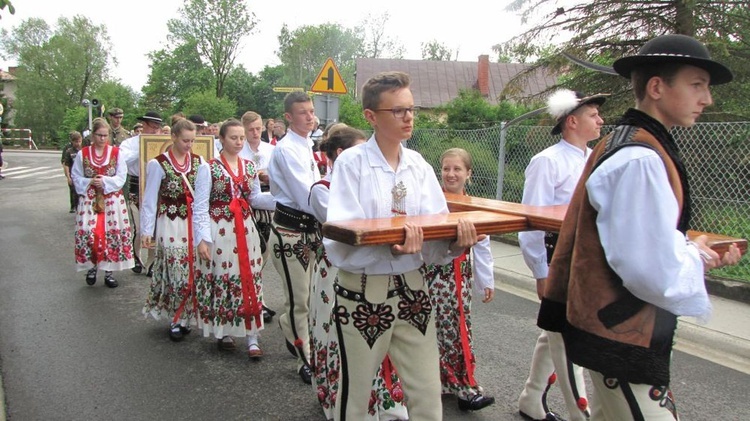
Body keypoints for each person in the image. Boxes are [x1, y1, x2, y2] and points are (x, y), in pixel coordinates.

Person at [539, 34, 742, 420]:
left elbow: (643, 245)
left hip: (615, 328)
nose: (707, 99)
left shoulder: (627, 143)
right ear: (656, 87)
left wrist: (694, 252)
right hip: (620, 332)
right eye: (697, 84)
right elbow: (647, 269)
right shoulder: (639, 158)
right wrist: (696, 258)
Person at [324, 71, 482, 420]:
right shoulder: (352, 164)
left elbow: (434, 234)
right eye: (398, 110)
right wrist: (392, 245)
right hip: (365, 292)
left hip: (413, 289)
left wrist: (458, 241)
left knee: (427, 396)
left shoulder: (419, 166)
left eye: (411, 109)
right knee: (355, 395)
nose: (408, 117)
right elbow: (340, 237)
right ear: (371, 116)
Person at [517, 89, 606, 421]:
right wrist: (541, 270)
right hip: (559, 261)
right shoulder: (547, 162)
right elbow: (532, 222)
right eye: (593, 114)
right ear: (572, 121)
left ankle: (531, 398)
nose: (600, 119)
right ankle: (578, 413)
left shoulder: (596, 158)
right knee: (569, 337)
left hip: (589, 261)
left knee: (554, 332)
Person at [309, 124, 408, 421]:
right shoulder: (322, 191)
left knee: (376, 332)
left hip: (371, 269)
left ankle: (383, 401)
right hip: (336, 271)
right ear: (342, 154)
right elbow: (352, 231)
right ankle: (342, 401)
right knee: (338, 334)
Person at [193, 119, 276, 357]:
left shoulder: (249, 167)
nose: (239, 142)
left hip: (245, 228)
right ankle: (225, 329)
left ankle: (252, 334)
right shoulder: (208, 168)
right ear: (221, 139)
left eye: (241, 138)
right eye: (233, 138)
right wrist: (202, 239)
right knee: (224, 276)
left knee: (249, 276)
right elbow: (200, 206)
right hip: (219, 229)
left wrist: (283, 199)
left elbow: (255, 199)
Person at [422, 147, 496, 411]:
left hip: (457, 274)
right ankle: (436, 383)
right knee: (428, 330)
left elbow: (483, 245)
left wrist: (485, 280)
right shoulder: (430, 200)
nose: (450, 174)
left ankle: (465, 387)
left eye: (457, 169)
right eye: (446, 169)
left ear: (469, 174)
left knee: (457, 328)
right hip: (428, 273)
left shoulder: (473, 205)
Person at [267, 91, 320, 384]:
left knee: (310, 298)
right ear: (288, 117)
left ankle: (290, 326)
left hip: (311, 231)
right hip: (290, 233)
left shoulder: (306, 145)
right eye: (303, 112)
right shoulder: (287, 149)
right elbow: (305, 196)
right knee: (300, 300)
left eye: (311, 111)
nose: (310, 116)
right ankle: (305, 360)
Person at [141, 118, 206, 341]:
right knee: (175, 268)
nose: (189, 145)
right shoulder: (158, 164)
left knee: (193, 268)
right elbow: (150, 199)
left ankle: (187, 315)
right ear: (174, 137)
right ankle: (176, 317)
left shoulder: (199, 162)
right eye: (185, 140)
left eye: (192, 141)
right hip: (170, 222)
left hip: (193, 223)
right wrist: (146, 230)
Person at [71, 117, 134, 287]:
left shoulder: (116, 153)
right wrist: (89, 182)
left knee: (110, 234)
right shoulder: (82, 153)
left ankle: (108, 272)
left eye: (105, 135)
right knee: (88, 232)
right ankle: (91, 267)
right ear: (93, 135)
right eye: (99, 135)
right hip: (90, 199)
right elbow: (76, 175)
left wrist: (105, 181)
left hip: (111, 199)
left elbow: (121, 176)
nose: (102, 139)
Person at [239, 111, 276, 322]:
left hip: (267, 204)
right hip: (245, 205)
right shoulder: (238, 149)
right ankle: (249, 297)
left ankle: (258, 297)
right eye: (251, 129)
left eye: (258, 128)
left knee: (263, 253)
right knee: (248, 254)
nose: (255, 133)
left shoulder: (270, 149)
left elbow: (279, 176)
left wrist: (268, 176)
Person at [119, 111, 163, 276]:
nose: (154, 131)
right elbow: (122, 161)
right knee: (138, 226)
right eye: (152, 127)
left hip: (155, 186)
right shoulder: (129, 143)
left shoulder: (161, 143)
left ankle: (151, 262)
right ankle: (136, 257)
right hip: (135, 186)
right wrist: (142, 149)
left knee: (154, 226)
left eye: (157, 128)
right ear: (144, 126)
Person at [61, 131, 84, 213]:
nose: (78, 143)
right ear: (72, 141)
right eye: (76, 142)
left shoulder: (84, 150)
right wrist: (68, 177)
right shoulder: (69, 151)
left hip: (83, 175)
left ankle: (81, 208)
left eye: (79, 141)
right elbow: (66, 164)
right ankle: (74, 206)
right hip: (73, 175)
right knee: (74, 191)